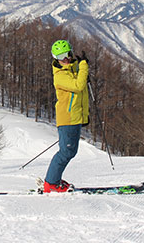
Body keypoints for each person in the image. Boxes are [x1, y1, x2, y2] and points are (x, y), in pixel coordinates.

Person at [43, 39, 90, 193]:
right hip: (67, 118)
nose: (64, 58)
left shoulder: (71, 68)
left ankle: (53, 180)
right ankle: (51, 182)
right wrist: (83, 66)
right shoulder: (60, 76)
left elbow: (80, 92)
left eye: (66, 54)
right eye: (60, 56)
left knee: (70, 151)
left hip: (74, 116)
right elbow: (78, 86)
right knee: (66, 152)